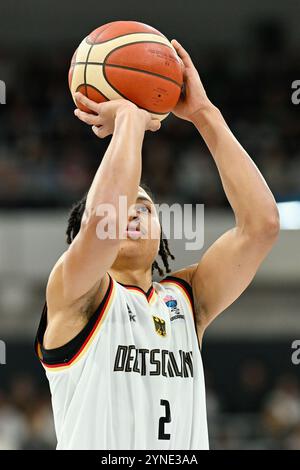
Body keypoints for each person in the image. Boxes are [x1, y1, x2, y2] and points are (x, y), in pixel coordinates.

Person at [35, 39, 279, 450]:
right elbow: (104, 223)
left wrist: (204, 115)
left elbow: (262, 225)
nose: (130, 213)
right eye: (125, 202)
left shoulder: (188, 299)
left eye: (144, 208)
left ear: (162, 234)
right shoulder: (74, 294)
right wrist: (129, 119)